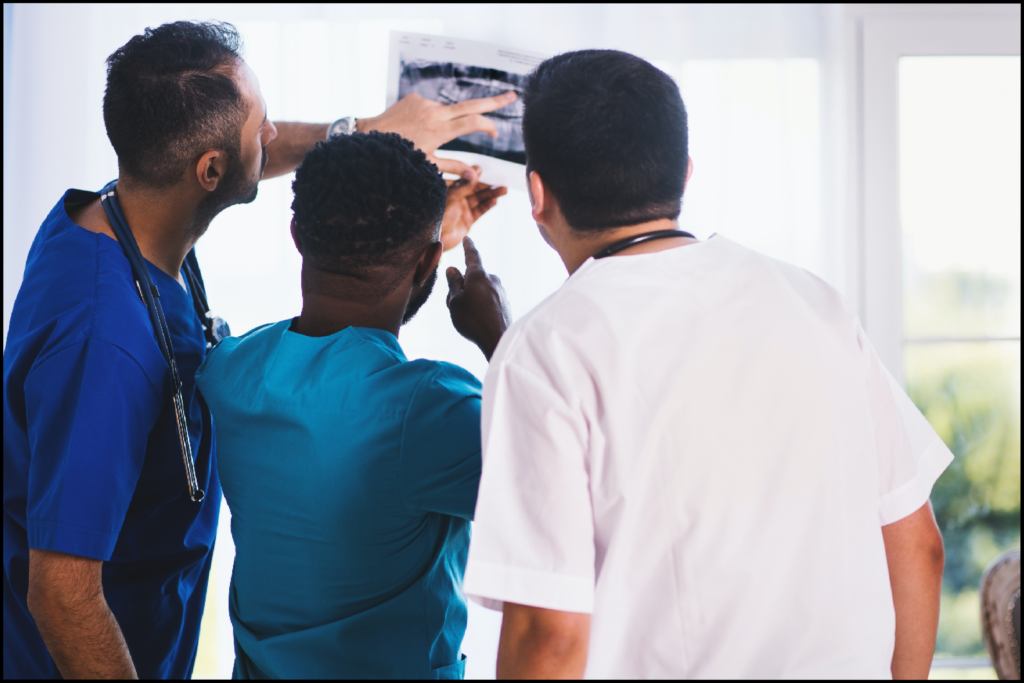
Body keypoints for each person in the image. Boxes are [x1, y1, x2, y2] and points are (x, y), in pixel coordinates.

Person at [3, 20, 512, 679]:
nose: (274, 138)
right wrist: (493, 329)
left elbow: (335, 316)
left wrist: (364, 146)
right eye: (261, 125)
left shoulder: (110, 225)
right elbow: (63, 593)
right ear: (209, 171)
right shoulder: (105, 344)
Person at [462, 49, 951, 679]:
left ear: (537, 192)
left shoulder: (543, 348)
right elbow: (918, 546)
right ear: (685, 174)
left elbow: (549, 636)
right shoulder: (814, 303)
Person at [194, 131, 510, 679]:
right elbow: (564, 483)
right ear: (430, 260)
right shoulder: (429, 411)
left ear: (297, 235)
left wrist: (422, 243)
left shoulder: (228, 371)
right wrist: (501, 339)